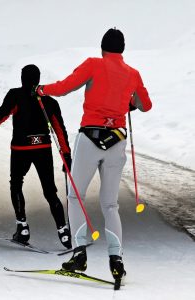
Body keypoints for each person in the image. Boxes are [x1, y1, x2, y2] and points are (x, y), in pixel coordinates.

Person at [33, 28, 152, 280]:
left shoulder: (93, 65)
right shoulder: (133, 73)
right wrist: (129, 103)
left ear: (102, 48)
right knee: (110, 204)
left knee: (76, 196)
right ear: (122, 50)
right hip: (117, 141)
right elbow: (145, 105)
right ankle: (116, 258)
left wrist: (41, 89)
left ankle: (79, 254)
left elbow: (65, 87)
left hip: (90, 138)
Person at [0, 64, 72, 249]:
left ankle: (22, 228)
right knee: (50, 191)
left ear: (22, 78)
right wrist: (66, 155)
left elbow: (2, 115)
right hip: (43, 147)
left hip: (21, 149)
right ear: (38, 79)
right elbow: (60, 130)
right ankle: (64, 232)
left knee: (16, 184)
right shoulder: (49, 101)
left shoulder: (15, 95)